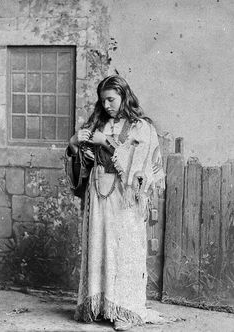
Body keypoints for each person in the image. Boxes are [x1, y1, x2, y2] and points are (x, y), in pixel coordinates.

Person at [69, 75, 166, 331]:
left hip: (125, 197)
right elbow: (85, 163)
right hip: (98, 193)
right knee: (99, 245)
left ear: (124, 96)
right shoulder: (98, 123)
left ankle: (125, 310)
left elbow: (142, 164)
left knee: (124, 250)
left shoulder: (140, 127)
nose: (107, 105)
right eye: (103, 101)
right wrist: (76, 145)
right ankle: (101, 305)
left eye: (111, 99)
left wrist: (108, 143)